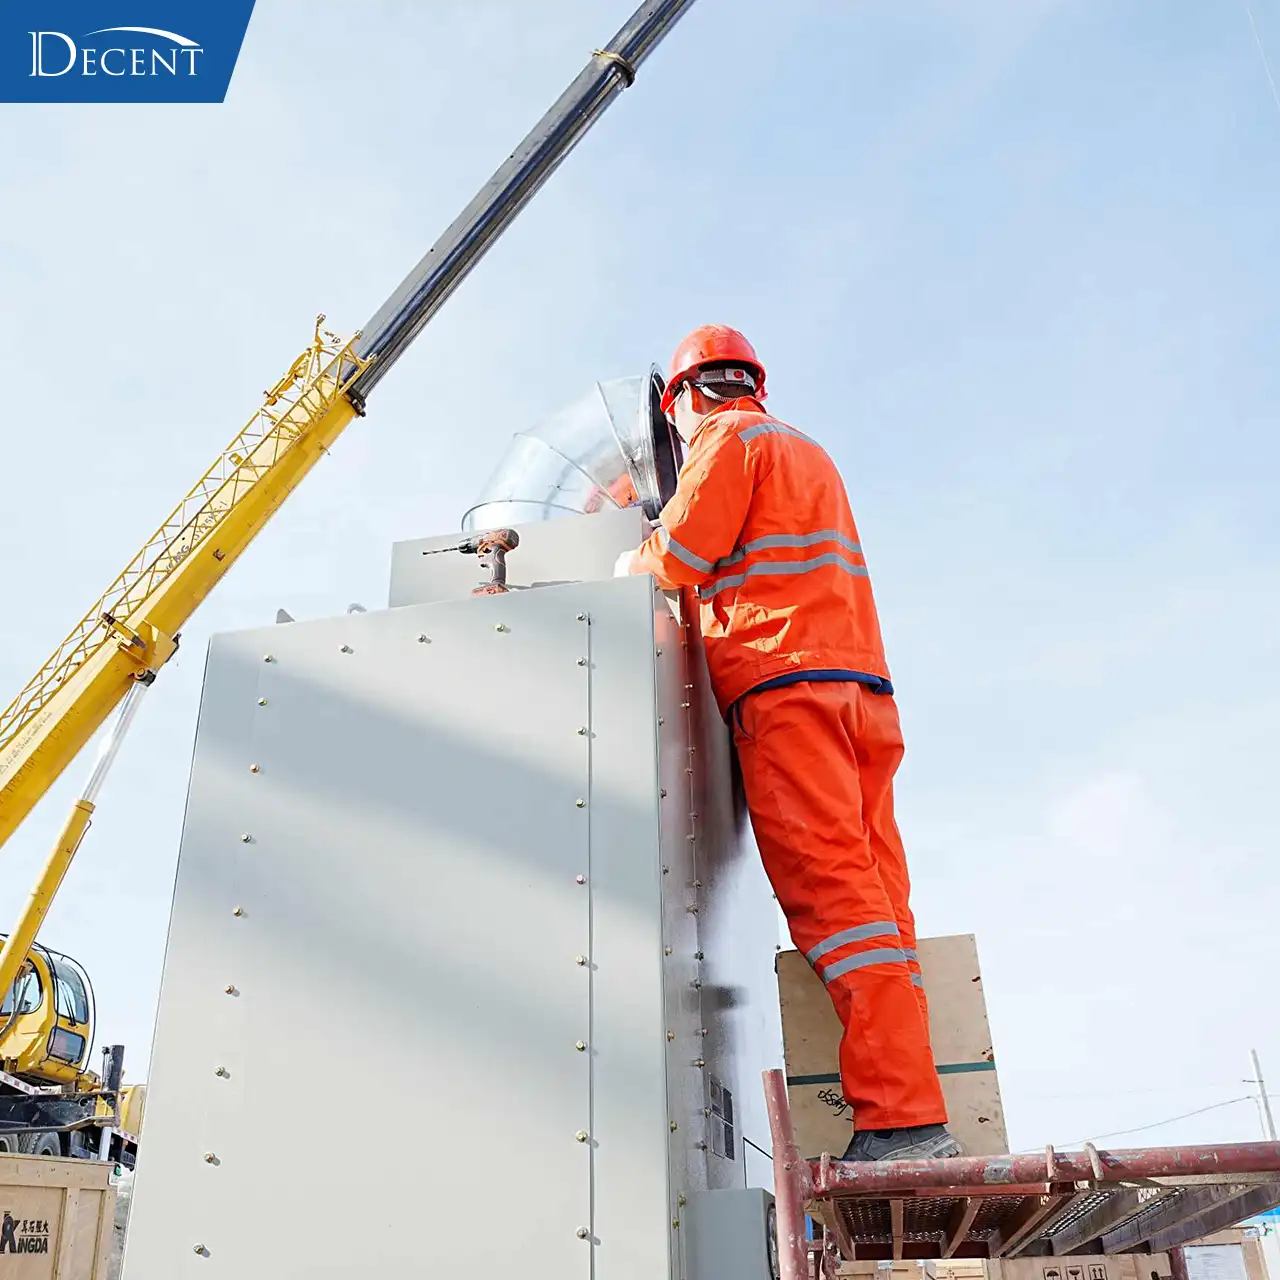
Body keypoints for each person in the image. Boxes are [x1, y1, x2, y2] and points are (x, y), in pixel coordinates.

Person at [614, 324, 960, 1162]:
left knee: (834, 903)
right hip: (860, 694)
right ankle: (916, 1108)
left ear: (682, 399)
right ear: (749, 381)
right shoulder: (803, 449)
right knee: (878, 904)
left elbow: (682, 555)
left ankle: (903, 1122)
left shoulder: (727, 439)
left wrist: (624, 567)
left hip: (786, 686)